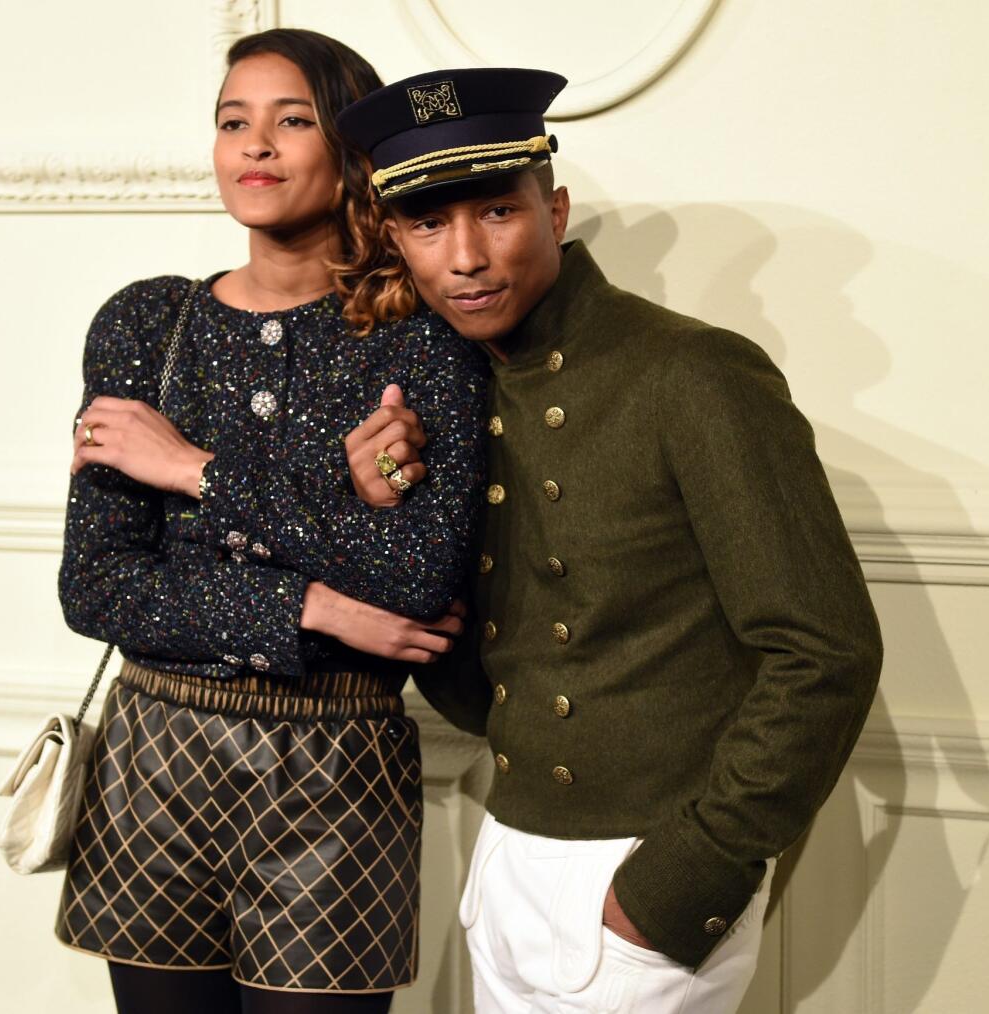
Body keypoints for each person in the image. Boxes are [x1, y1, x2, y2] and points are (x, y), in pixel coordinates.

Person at [334, 69, 885, 1012]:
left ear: (555, 210)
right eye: (429, 226)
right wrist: (387, 516)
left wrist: (688, 876)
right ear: (395, 237)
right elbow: (473, 675)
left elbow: (824, 651)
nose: (465, 256)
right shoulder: (438, 399)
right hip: (505, 853)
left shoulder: (690, 372)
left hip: (647, 872)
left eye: (497, 212)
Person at [54, 31, 487, 1014]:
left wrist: (188, 468)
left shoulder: (418, 339)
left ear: (346, 151)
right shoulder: (143, 324)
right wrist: (322, 604)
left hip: (336, 771)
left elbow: (414, 585)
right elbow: (100, 586)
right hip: (153, 763)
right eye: (231, 121)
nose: (256, 145)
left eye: (292, 120)